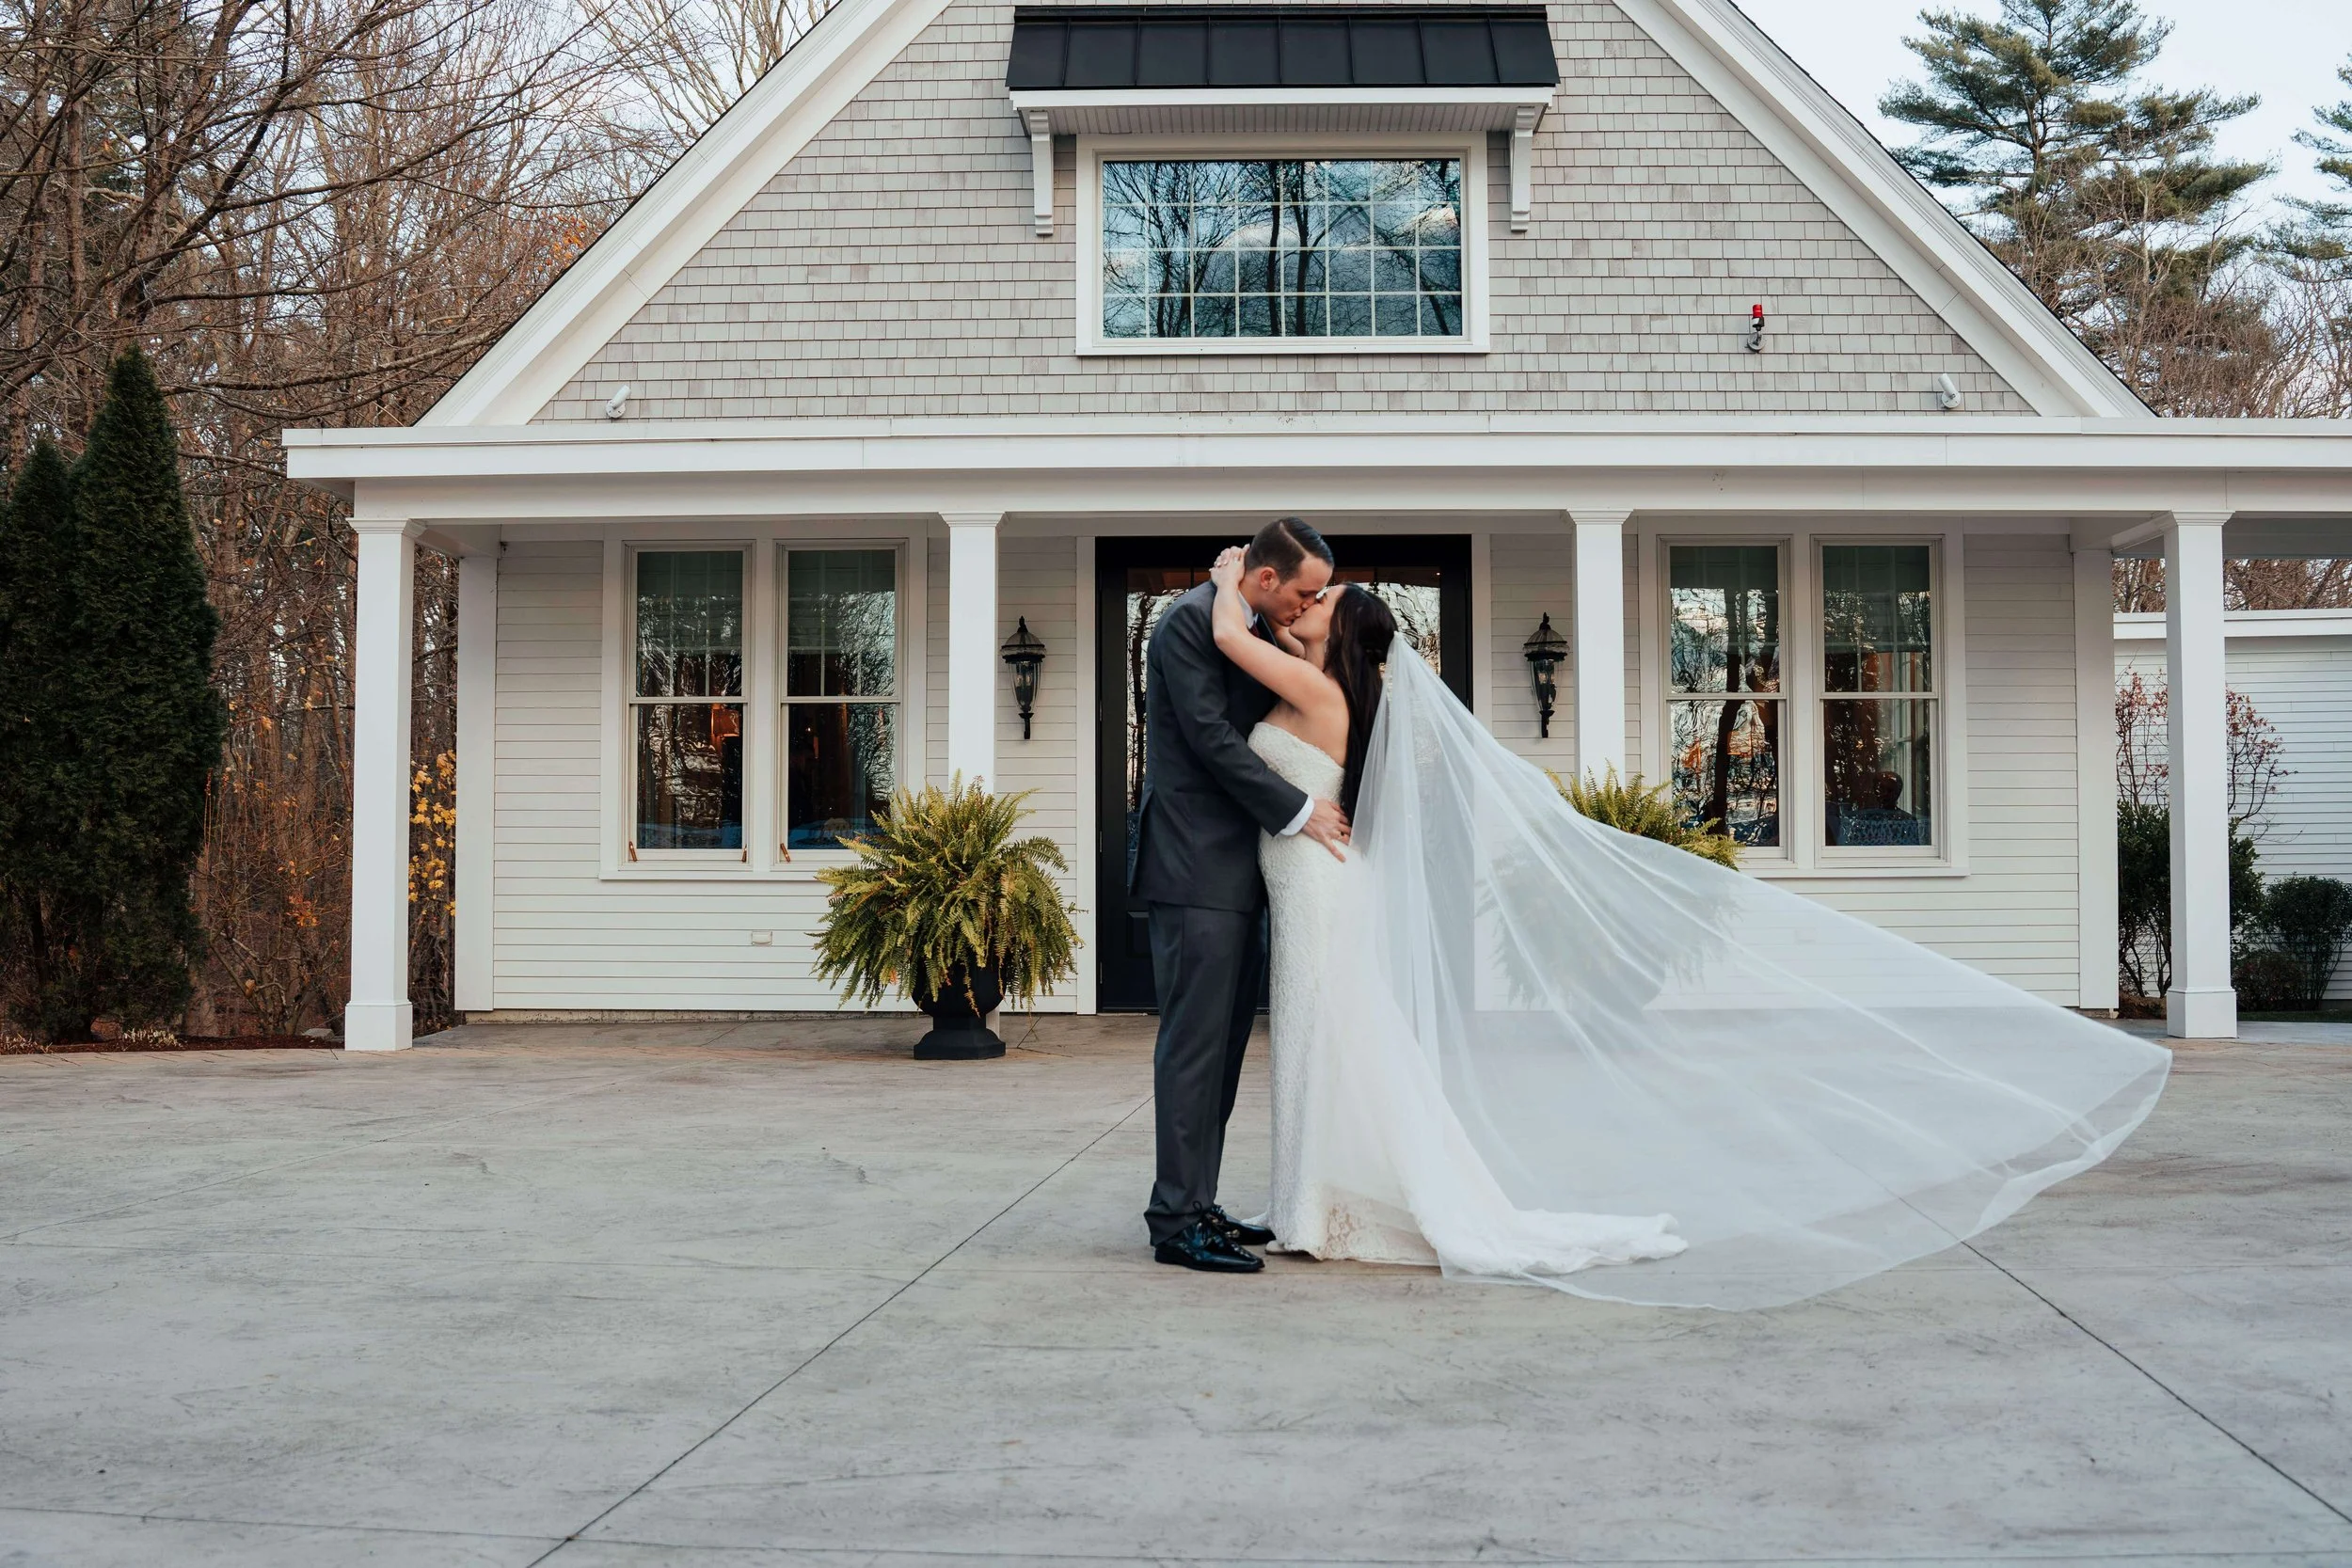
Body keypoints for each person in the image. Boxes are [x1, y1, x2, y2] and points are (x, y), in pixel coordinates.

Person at [1200, 546, 2173, 1311]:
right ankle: (1305, 1202)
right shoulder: (1325, 682)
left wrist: (1223, 585)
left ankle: (1317, 1206)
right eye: (1306, 600)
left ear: (1344, 635)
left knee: (1329, 1038)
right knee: (1326, 1041)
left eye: (1319, 604)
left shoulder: (1318, 691)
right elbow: (1277, 650)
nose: (1303, 609)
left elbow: (1240, 641)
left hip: (1319, 891)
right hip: (1312, 885)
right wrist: (1278, 611)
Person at [1133, 517, 1350, 1273]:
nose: (1308, 602)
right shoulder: (1191, 624)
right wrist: (1298, 808)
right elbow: (1208, 738)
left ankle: (1197, 1200)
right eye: (1304, 590)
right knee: (1194, 1049)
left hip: (1237, 874)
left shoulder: (1242, 618)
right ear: (1266, 579)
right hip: (1194, 866)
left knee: (1222, 1050)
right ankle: (1175, 1222)